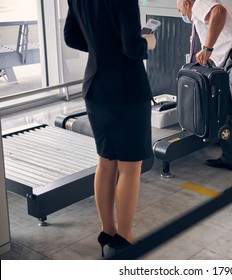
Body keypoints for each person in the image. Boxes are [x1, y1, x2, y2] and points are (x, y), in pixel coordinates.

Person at [64, 0, 156, 257]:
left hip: (95, 87)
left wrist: (101, 46)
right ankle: (125, 237)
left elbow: (71, 37)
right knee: (130, 167)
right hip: (126, 90)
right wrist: (148, 41)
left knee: (106, 162)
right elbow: (132, 48)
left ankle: (107, 231)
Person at [177, 0, 232, 182]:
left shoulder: (199, 3)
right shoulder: (198, 19)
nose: (181, 12)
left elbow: (219, 11)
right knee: (224, 110)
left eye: (179, 7)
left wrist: (207, 49)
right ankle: (230, 158)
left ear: (186, 3)